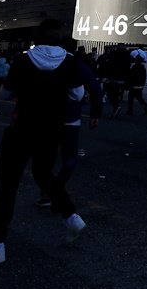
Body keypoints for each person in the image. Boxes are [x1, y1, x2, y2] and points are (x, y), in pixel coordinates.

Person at [0, 19, 88, 267]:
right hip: (52, 129)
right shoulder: (69, 61)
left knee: (8, 184)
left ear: (37, 37)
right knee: (44, 173)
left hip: (22, 128)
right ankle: (71, 216)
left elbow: (6, 92)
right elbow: (78, 94)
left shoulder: (23, 60)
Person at [36, 49, 103, 208]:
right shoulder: (78, 66)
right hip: (71, 118)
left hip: (48, 118)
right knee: (69, 157)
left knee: (48, 156)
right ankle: (55, 189)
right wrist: (95, 114)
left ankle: (48, 191)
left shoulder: (44, 63)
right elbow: (95, 89)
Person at [125, 48, 147, 117]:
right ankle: (144, 106)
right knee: (138, 97)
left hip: (134, 85)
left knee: (132, 97)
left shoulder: (135, 67)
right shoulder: (142, 68)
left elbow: (131, 76)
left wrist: (128, 84)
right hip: (139, 85)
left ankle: (130, 110)